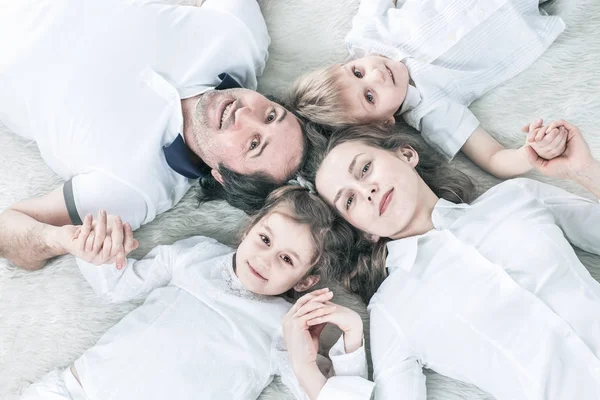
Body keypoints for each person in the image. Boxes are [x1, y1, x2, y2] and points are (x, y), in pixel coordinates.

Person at [303, 120, 600, 399]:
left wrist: (584, 170)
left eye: (365, 169)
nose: (366, 191)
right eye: (349, 200)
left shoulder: (517, 197)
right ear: (363, 231)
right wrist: (305, 367)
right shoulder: (391, 309)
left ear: (406, 154)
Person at [0, 0, 306, 271]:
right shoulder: (239, 39)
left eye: (254, 144)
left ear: (223, 176)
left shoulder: (134, 189)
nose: (245, 114)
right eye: (270, 115)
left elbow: (8, 230)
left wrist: (59, 240)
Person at [19, 185, 374, 400]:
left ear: (305, 281)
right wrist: (95, 249)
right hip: (77, 390)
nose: (264, 259)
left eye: (285, 259)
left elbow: (324, 393)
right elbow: (118, 286)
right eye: (264, 239)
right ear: (250, 228)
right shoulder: (195, 255)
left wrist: (351, 339)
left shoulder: (284, 327)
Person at [288, 0, 567, 179]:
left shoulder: (367, 35)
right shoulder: (430, 110)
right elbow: (493, 157)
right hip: (523, 12)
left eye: (357, 71)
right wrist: (530, 152)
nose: (376, 74)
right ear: (385, 122)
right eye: (370, 96)